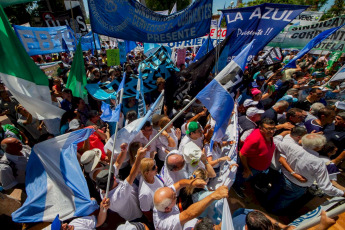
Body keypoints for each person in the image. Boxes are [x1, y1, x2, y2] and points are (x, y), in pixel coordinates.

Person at [272, 133, 345, 213]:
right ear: (318, 147)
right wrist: (342, 193)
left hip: (281, 176)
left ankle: (264, 204)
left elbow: (275, 141)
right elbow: (326, 187)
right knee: (283, 201)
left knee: (273, 191)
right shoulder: (319, 163)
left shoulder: (292, 147)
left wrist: (283, 130)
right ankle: (272, 212)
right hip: (296, 186)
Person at [96, 147, 148, 222]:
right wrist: (139, 157)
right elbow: (132, 175)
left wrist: (123, 151)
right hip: (136, 216)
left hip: (135, 196)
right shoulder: (117, 197)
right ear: (114, 178)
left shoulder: (103, 185)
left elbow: (118, 163)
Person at [153, 183, 228, 230]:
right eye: (174, 196)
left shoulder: (162, 199)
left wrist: (192, 182)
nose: (175, 194)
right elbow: (188, 214)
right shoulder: (166, 223)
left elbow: (179, 184)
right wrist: (213, 196)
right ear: (167, 208)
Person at [233, 118, 276, 198]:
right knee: (241, 178)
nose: (272, 131)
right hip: (251, 167)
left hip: (258, 168)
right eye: (269, 129)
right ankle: (236, 187)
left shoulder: (268, 135)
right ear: (260, 128)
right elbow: (242, 154)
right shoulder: (254, 139)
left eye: (273, 128)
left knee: (245, 179)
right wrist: (247, 169)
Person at [139, 158, 165, 223]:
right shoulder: (145, 194)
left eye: (155, 165)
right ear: (147, 173)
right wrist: (153, 221)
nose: (156, 167)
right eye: (153, 168)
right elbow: (146, 211)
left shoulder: (155, 175)